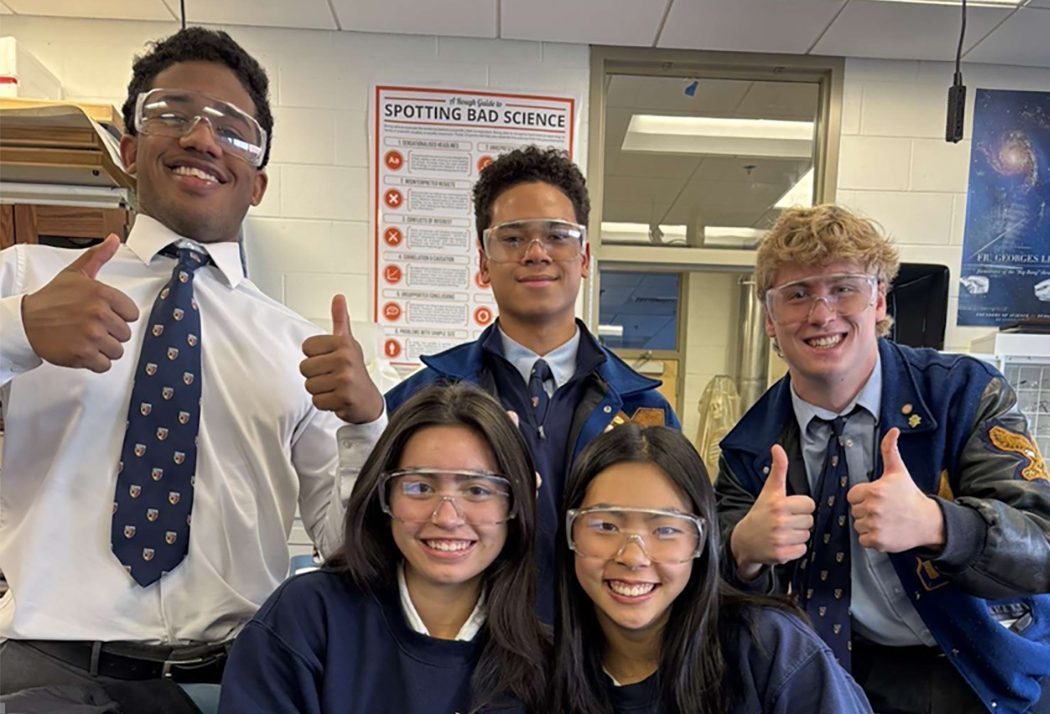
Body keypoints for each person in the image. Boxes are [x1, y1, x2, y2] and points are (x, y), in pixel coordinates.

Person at [0, 28, 379, 712]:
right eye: (172, 114)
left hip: (234, 681)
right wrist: (18, 330)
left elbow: (341, 544)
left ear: (258, 182)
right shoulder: (30, 279)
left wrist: (364, 425)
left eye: (234, 130)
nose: (203, 138)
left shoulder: (299, 345)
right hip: (47, 675)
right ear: (128, 147)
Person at [715, 204, 1050, 713]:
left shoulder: (963, 394)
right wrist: (742, 549)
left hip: (982, 668)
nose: (822, 314)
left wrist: (941, 526)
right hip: (837, 675)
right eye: (798, 294)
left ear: (879, 301)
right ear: (769, 317)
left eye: (843, 288)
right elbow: (707, 586)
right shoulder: (749, 446)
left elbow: (1043, 543)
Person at [334, 146, 679, 621]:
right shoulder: (422, 400)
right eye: (512, 238)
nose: (536, 253)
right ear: (483, 261)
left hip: (600, 668)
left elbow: (674, 546)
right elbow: (360, 538)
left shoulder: (645, 411)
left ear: (583, 257)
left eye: (557, 236)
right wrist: (363, 423)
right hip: (465, 664)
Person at [219, 383, 548, 713]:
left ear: (515, 505)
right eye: (420, 487)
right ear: (383, 495)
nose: (447, 517)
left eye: (477, 490)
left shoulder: (546, 655)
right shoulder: (307, 617)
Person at [551, 423, 871, 714]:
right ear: (570, 533)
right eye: (606, 525)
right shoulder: (538, 672)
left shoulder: (771, 651)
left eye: (665, 530)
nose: (633, 557)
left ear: (701, 542)